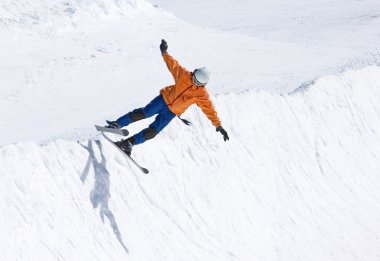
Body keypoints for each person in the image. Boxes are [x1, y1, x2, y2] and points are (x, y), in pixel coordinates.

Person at [106, 39, 229, 156]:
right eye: (194, 79)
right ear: (193, 73)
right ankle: (117, 124)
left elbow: (209, 109)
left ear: (203, 84)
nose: (194, 83)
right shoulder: (184, 75)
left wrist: (218, 126)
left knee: (154, 131)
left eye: (198, 83)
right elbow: (172, 64)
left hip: (172, 112)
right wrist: (164, 52)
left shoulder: (201, 94)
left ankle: (128, 143)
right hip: (163, 100)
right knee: (144, 113)